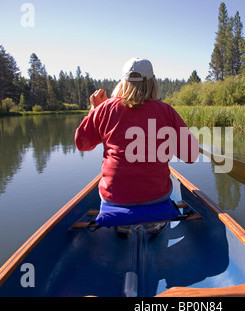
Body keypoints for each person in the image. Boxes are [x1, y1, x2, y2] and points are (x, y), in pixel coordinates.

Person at [75, 58, 199, 233]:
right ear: (152, 83)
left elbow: (82, 144)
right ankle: (154, 223)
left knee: (113, 188)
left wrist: (94, 110)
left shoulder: (104, 109)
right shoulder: (166, 111)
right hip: (157, 196)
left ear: (123, 82)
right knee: (160, 187)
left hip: (113, 197)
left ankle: (122, 223)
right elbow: (191, 156)